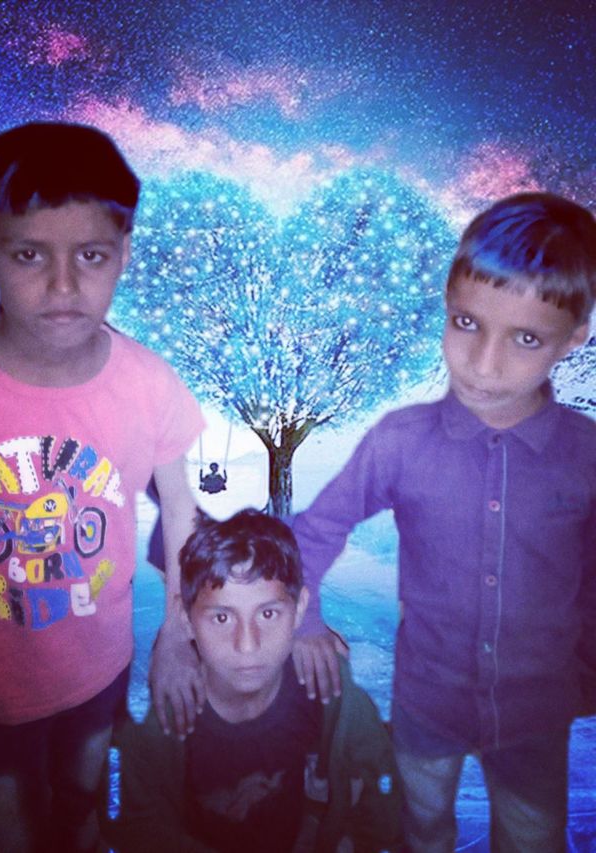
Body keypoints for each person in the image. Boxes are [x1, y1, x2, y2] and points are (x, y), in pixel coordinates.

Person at [291, 192, 596, 852]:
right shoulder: (400, 440)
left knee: (532, 837)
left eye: (525, 338)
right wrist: (305, 620)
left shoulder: (586, 454)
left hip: (536, 715)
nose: (484, 363)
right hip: (426, 705)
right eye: (466, 322)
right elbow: (315, 529)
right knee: (421, 827)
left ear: (574, 338)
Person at [0, 121, 205, 853]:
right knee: (8, 835)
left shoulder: (149, 383)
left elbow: (181, 513)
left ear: (123, 252)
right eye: (30, 254)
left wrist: (177, 634)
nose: (63, 286)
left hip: (99, 672)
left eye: (90, 255)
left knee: (82, 819)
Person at [110, 509, 402, 853]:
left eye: (267, 613)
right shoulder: (161, 718)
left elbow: (382, 789)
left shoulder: (325, 682)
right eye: (222, 617)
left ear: (299, 610)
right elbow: (138, 827)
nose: (247, 645)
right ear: (186, 620)